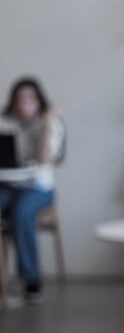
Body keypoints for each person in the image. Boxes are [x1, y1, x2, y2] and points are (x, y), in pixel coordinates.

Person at [0, 77, 66, 304]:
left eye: (30, 99)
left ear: (39, 101)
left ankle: (31, 278)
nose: (24, 104)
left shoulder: (51, 123)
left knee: (21, 212)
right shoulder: (5, 122)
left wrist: (46, 124)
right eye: (19, 100)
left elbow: (45, 160)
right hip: (6, 185)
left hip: (38, 188)